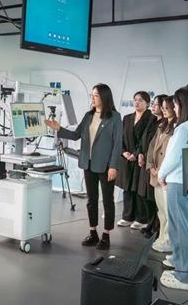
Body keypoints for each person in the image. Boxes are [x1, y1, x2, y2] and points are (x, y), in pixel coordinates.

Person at [45, 84, 122, 250]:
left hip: (106, 165)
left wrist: (113, 166)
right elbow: (75, 135)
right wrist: (59, 128)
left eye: (95, 95)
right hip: (88, 163)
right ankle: (93, 233)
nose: (92, 98)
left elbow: (117, 144)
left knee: (107, 201)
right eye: (91, 95)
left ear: (104, 97)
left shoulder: (115, 117)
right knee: (91, 200)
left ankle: (106, 235)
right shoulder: (88, 115)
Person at [158, 88, 188, 291]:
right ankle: (183, 264)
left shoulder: (184, 128)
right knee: (186, 227)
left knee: (181, 228)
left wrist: (160, 175)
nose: (174, 108)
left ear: (183, 104)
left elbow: (173, 157)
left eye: (176, 104)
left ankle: (186, 278)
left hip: (179, 180)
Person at [116, 91, 156, 230]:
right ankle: (127, 216)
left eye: (140, 100)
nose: (137, 102)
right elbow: (120, 138)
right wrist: (124, 152)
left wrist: (137, 153)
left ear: (147, 103)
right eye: (135, 100)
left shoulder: (151, 119)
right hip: (127, 159)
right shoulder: (127, 118)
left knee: (140, 190)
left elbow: (147, 140)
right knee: (127, 188)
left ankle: (141, 218)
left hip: (141, 158)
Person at [146, 95, 175, 253]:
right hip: (156, 174)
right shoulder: (161, 126)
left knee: (169, 212)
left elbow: (172, 154)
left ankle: (168, 240)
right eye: (162, 107)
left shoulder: (177, 128)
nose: (164, 110)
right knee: (162, 211)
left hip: (167, 176)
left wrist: (161, 170)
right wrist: (151, 166)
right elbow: (152, 147)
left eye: (166, 107)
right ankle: (162, 236)